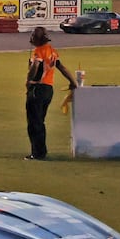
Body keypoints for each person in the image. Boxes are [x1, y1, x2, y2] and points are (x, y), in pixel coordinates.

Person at [23, 26, 77, 160]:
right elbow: (61, 67)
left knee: (34, 123)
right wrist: (72, 81)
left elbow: (35, 66)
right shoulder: (52, 51)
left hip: (37, 89)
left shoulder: (38, 52)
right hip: (48, 89)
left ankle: (38, 153)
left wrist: (28, 80)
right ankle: (40, 151)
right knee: (40, 121)